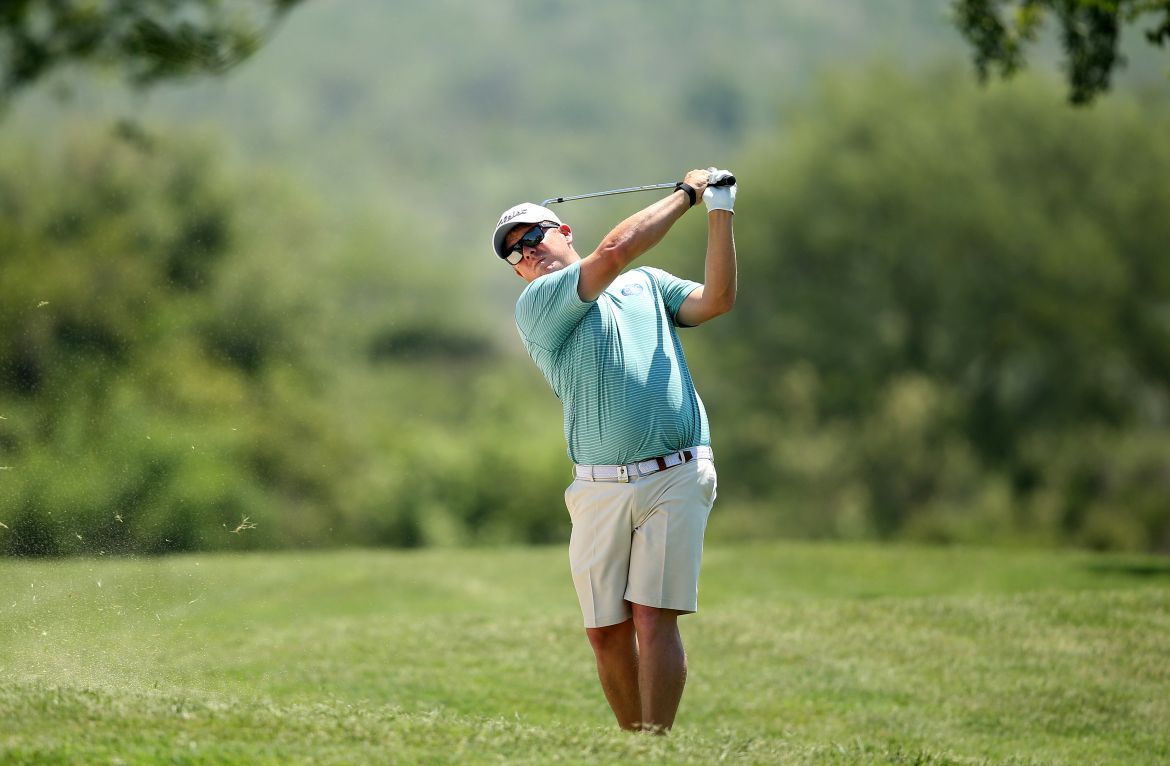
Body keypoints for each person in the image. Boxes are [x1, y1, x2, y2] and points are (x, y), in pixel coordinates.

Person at [491, 167, 736, 733]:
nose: (527, 255)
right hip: (598, 484)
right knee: (605, 632)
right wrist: (685, 195)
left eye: (532, 238)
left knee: (653, 618)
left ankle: (657, 743)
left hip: (677, 471)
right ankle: (633, 742)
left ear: (562, 230)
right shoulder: (540, 304)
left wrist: (719, 209)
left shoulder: (647, 284)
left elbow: (717, 300)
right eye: (514, 255)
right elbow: (616, 247)